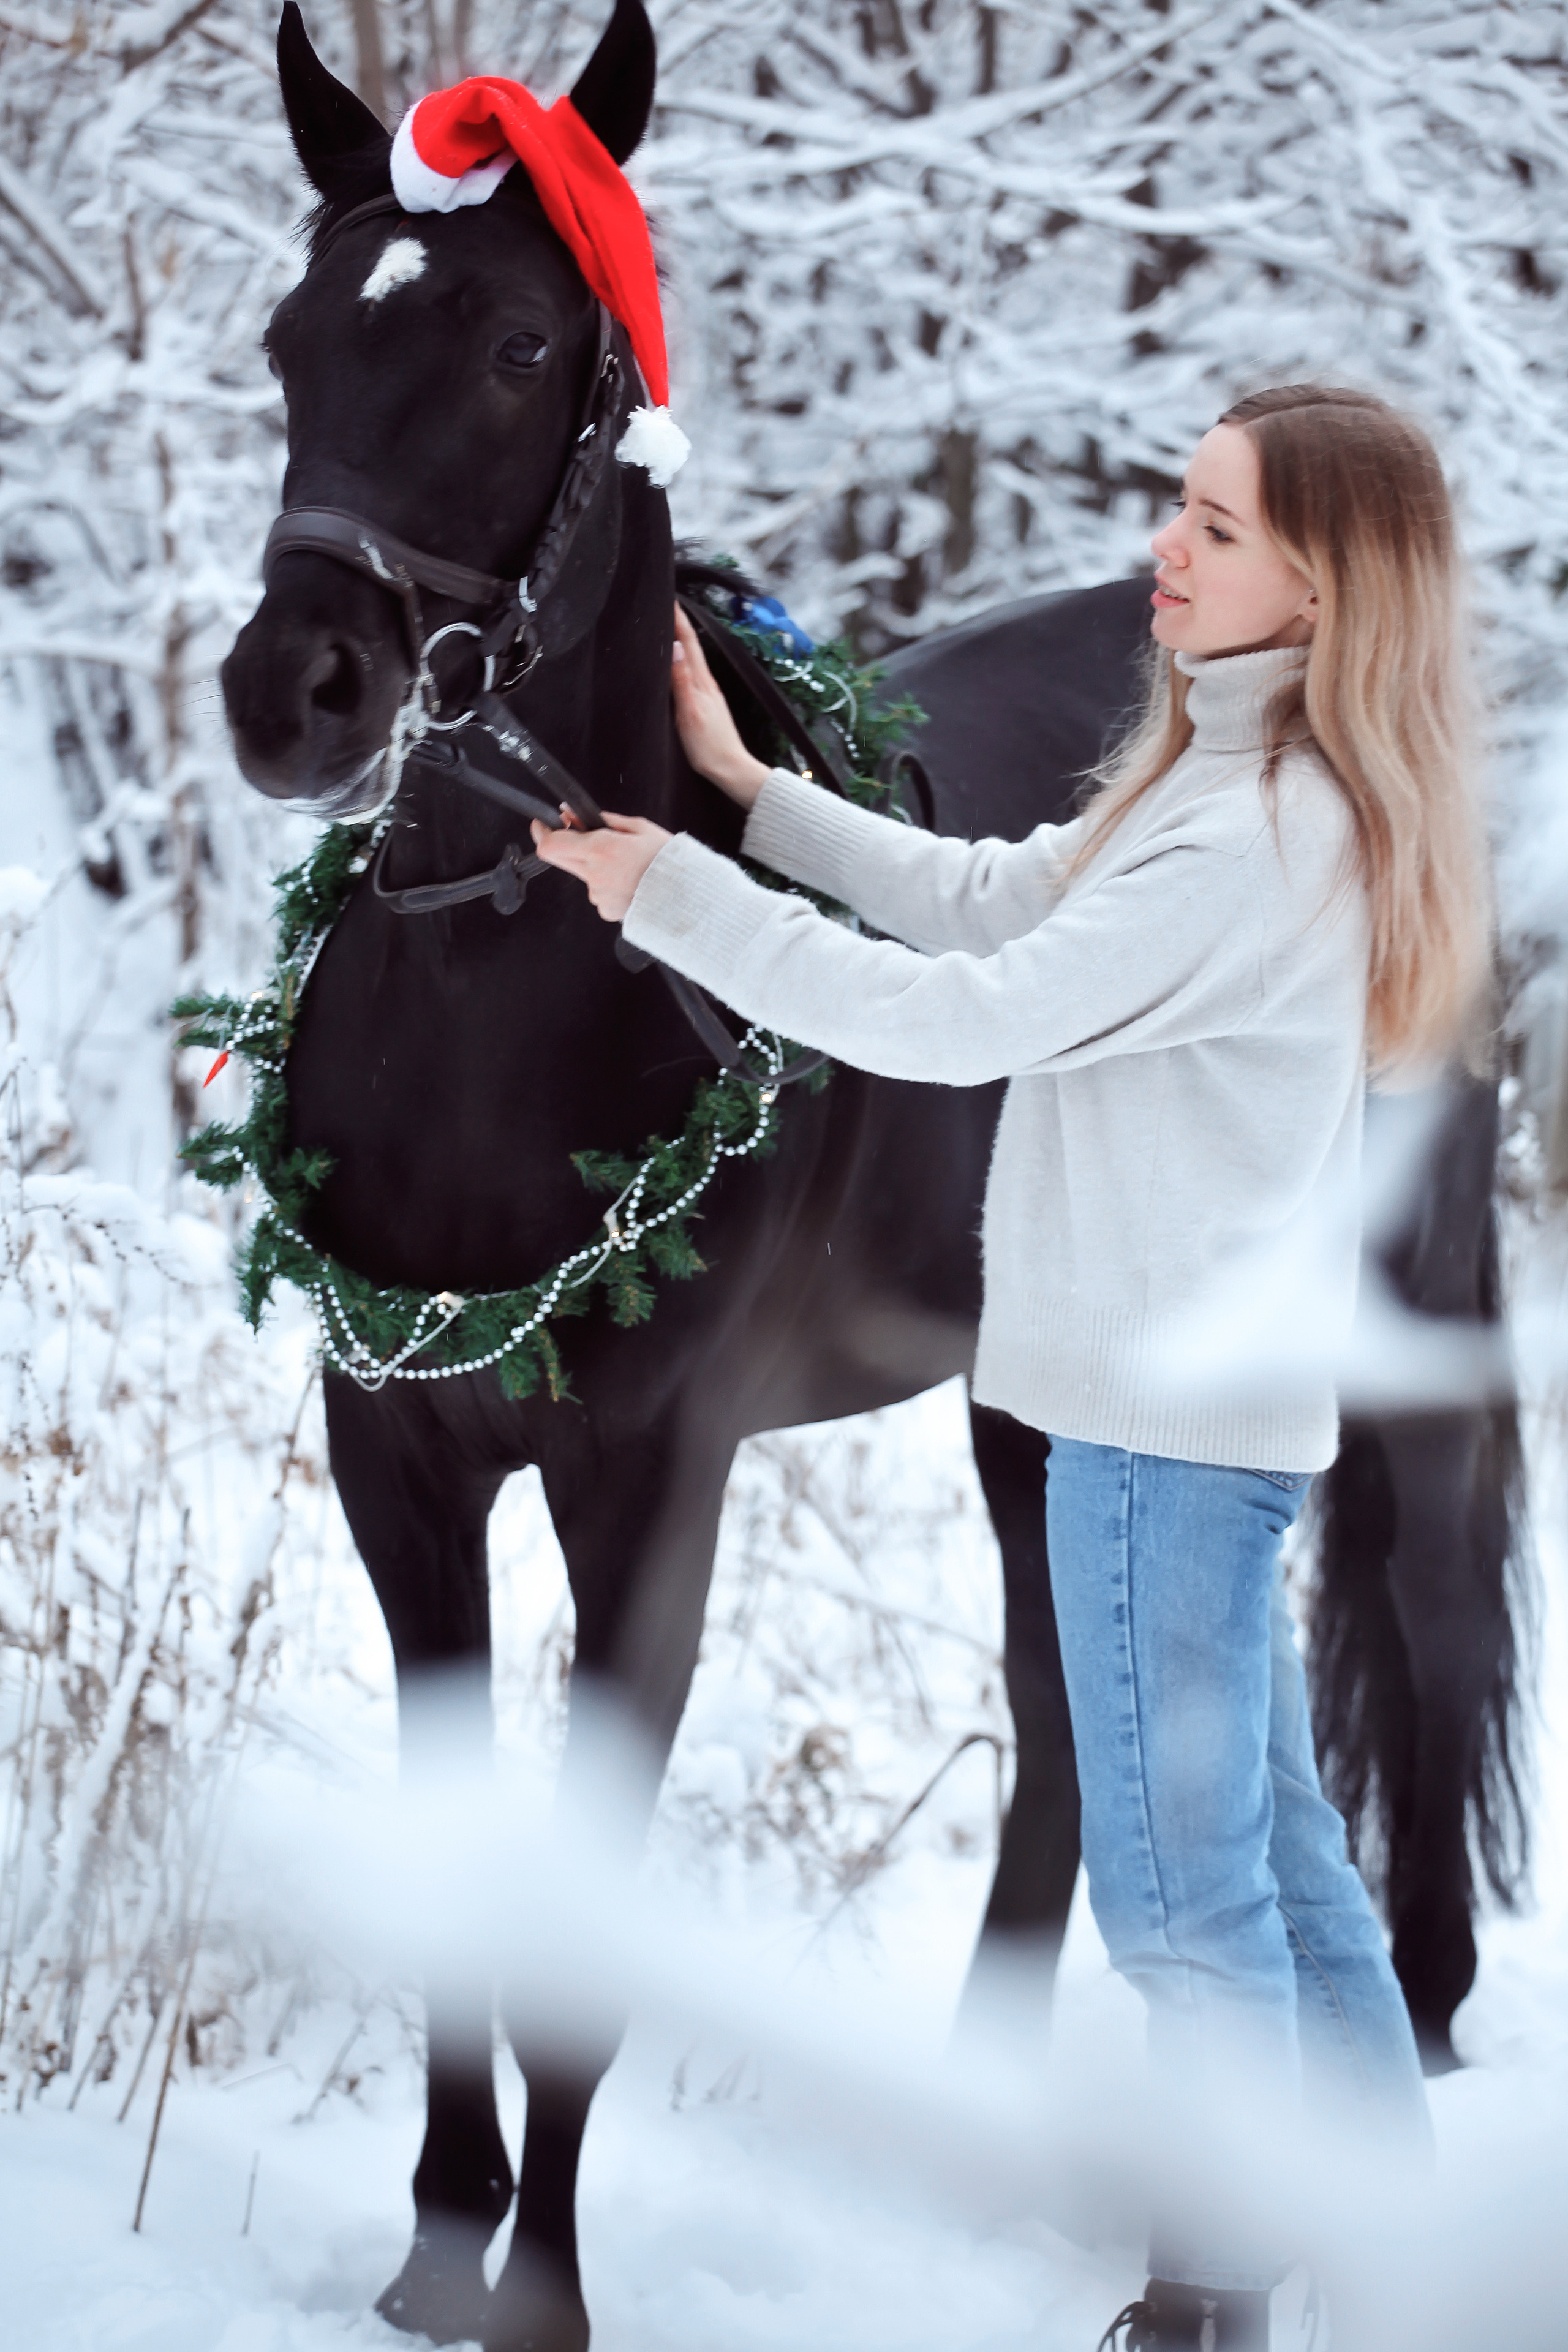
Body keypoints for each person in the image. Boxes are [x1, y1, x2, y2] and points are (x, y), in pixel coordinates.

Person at [532, 385, 1488, 2350]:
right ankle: (1405, 2255)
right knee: (1286, 1868)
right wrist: (747, 793)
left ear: (1324, 582)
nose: (1169, 549)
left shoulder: (1257, 832)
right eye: (1181, 508)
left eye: (1216, 528)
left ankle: (1215, 2294)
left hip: (1150, 1444)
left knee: (1178, 1907)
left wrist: (674, 894)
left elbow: (965, 1022)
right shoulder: (1223, 780)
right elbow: (996, 902)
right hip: (1198, 1432)